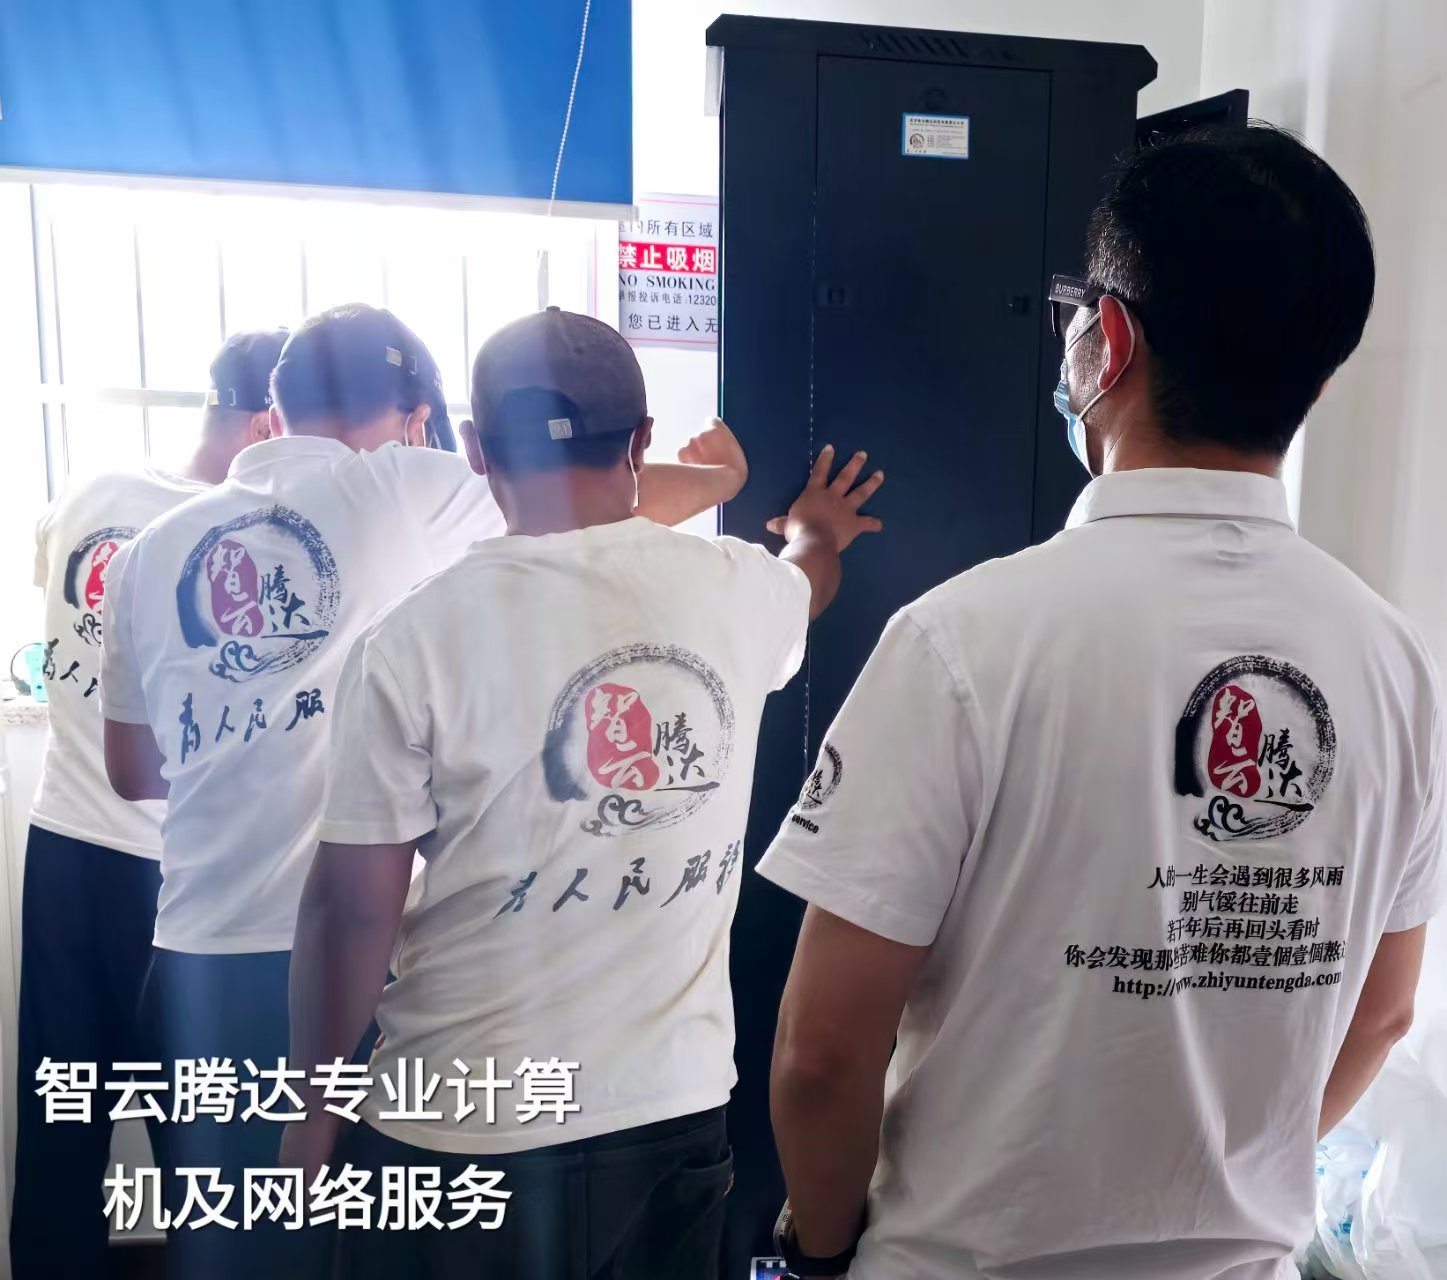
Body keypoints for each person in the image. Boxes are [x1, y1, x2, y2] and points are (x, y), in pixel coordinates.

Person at [758, 123, 1443, 1280]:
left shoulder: (960, 640)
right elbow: (1381, 1014)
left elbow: (822, 1048)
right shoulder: (1397, 665)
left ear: (1107, 341)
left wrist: (817, 1251)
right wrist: (1229, 1184)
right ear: (1318, 380)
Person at [98, 303, 742, 1279]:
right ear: (410, 420)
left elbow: (132, 769)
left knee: (220, 1248)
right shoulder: (401, 488)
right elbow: (584, 511)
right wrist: (724, 478)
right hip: (334, 978)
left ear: (277, 407)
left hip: (192, 967)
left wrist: (252, 732)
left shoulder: (153, 547)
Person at [280, 307, 884, 1279]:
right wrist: (817, 527)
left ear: (473, 448)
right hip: (666, 1116)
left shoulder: (409, 639)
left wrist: (311, 1113)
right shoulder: (733, 587)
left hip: (458, 1121)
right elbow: (806, 578)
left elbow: (351, 909)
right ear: (641, 440)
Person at [11, 329, 286, 1280]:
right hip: (177, 873)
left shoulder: (90, 492)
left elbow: (59, 605)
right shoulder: (232, 537)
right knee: (201, 1132)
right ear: (269, 424)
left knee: (62, 1111)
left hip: (63, 847)